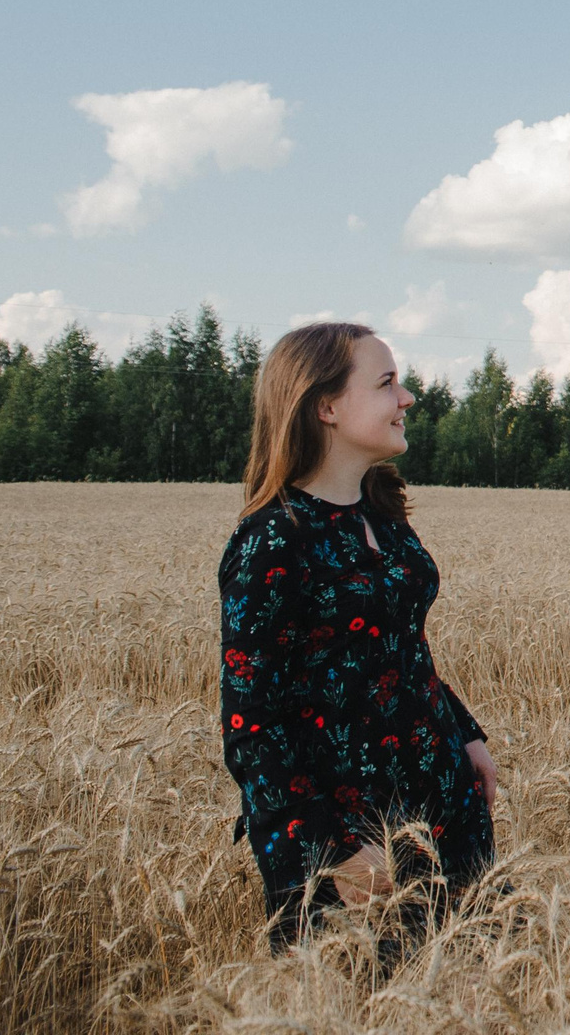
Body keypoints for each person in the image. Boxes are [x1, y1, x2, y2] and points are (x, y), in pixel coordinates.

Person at [218, 322, 499, 951]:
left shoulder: (384, 518)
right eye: (387, 383)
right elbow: (250, 723)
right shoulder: (273, 541)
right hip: (346, 829)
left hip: (438, 798)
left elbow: (400, 652)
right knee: (364, 995)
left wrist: (465, 732)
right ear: (326, 407)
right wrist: (335, 848)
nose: (407, 399)